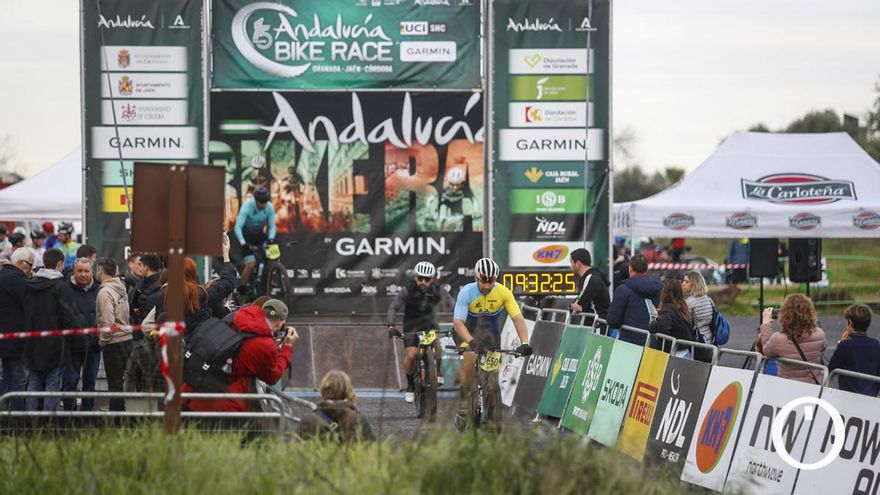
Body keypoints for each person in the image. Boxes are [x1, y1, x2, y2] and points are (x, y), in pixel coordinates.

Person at [452, 258, 532, 430]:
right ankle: (464, 404)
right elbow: (458, 323)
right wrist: (471, 341)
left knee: (492, 376)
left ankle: (491, 410)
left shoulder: (503, 292)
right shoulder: (467, 292)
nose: (487, 286)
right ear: (476, 278)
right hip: (466, 332)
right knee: (470, 356)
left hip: (490, 334)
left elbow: (518, 318)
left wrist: (525, 342)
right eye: (484, 281)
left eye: (491, 281)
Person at [184, 299, 299, 412]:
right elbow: (272, 376)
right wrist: (287, 347)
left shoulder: (233, 317)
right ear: (281, 322)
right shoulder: (264, 344)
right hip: (225, 405)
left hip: (191, 391)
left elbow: (239, 349)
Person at [386, 261, 455, 403]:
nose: (423, 282)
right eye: (420, 279)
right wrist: (391, 325)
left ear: (432, 279)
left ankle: (438, 371)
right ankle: (410, 385)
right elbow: (393, 307)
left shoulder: (438, 289)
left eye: (427, 279)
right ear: (415, 277)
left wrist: (458, 320)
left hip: (429, 322)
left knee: (436, 344)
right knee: (412, 354)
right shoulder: (408, 289)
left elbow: (452, 304)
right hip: (411, 323)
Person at [23, 248, 82, 411]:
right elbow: (69, 318)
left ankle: (31, 422)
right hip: (57, 345)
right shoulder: (62, 288)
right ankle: (49, 424)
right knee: (53, 385)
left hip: (32, 344)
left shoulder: (28, 285)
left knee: (33, 383)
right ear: (60, 264)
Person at [149, 236, 235, 334]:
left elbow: (159, 322)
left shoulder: (164, 295)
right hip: (200, 343)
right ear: (193, 274)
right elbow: (227, 283)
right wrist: (226, 255)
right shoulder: (201, 294)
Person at [760, 294, 827, 384]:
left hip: (788, 386)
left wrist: (766, 324)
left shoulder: (778, 339)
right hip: (814, 386)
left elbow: (766, 350)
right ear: (810, 312)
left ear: (784, 314)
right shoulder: (820, 334)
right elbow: (823, 347)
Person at [63, 257, 102, 412]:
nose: (83, 274)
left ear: (92, 271)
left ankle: (87, 416)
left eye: (86, 271)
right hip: (71, 346)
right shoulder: (65, 289)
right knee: (70, 382)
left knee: (89, 383)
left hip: (93, 346)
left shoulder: (100, 289)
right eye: (80, 271)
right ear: (74, 271)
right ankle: (69, 415)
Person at [95, 257, 133, 411]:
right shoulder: (121, 288)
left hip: (114, 343)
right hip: (127, 339)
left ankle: (116, 420)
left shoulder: (105, 293)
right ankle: (125, 415)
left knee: (115, 384)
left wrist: (103, 341)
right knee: (125, 382)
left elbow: (107, 322)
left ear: (100, 271)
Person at [0, 248, 35, 410]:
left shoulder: (4, 276)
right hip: (16, 343)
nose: (31, 270)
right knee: (19, 381)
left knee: (7, 379)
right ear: (21, 263)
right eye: (30, 265)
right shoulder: (16, 279)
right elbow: (29, 304)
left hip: (6, 341)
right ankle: (16, 423)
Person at [298, 370, 374, 443]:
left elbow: (297, 451)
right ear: (348, 391)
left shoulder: (309, 420)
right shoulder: (359, 420)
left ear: (322, 390)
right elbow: (371, 450)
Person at [606, 254, 663, 345]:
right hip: (654, 344)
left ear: (630, 268)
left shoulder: (623, 290)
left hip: (629, 344)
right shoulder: (660, 288)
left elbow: (613, 320)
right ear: (646, 269)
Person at [828, 304, 880, 396]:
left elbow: (832, 368)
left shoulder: (845, 345)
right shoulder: (875, 344)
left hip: (849, 395)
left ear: (850, 322)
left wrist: (841, 342)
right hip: (870, 395)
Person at [234, 186, 276, 293]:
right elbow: (237, 227)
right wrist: (243, 243)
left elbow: (271, 227)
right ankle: (243, 287)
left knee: (273, 254)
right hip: (246, 236)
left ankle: (270, 277)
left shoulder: (269, 207)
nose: (263, 205)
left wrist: (271, 239)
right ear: (256, 200)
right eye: (261, 202)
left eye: (265, 202)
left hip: (259, 235)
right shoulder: (247, 207)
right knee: (251, 264)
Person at [650, 279, 696, 358]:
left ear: (665, 293)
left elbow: (661, 328)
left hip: (675, 354)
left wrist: (655, 319)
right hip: (685, 351)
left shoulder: (668, 309)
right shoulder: (684, 307)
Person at [568, 248, 611, 324]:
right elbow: (578, 304)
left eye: (571, 262)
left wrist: (573, 305)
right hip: (597, 322)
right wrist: (573, 305)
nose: (570, 266)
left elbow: (578, 305)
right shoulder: (591, 276)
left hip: (598, 324)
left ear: (578, 263)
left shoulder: (590, 278)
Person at [683, 270, 715, 357]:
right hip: (710, 337)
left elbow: (686, 322)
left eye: (686, 282)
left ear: (694, 284)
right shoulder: (708, 299)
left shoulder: (689, 302)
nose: (683, 284)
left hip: (697, 341)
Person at [129, 253, 162, 325]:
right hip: (139, 326)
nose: (140, 269)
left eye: (141, 265)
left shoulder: (159, 286)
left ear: (146, 268)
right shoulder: (141, 283)